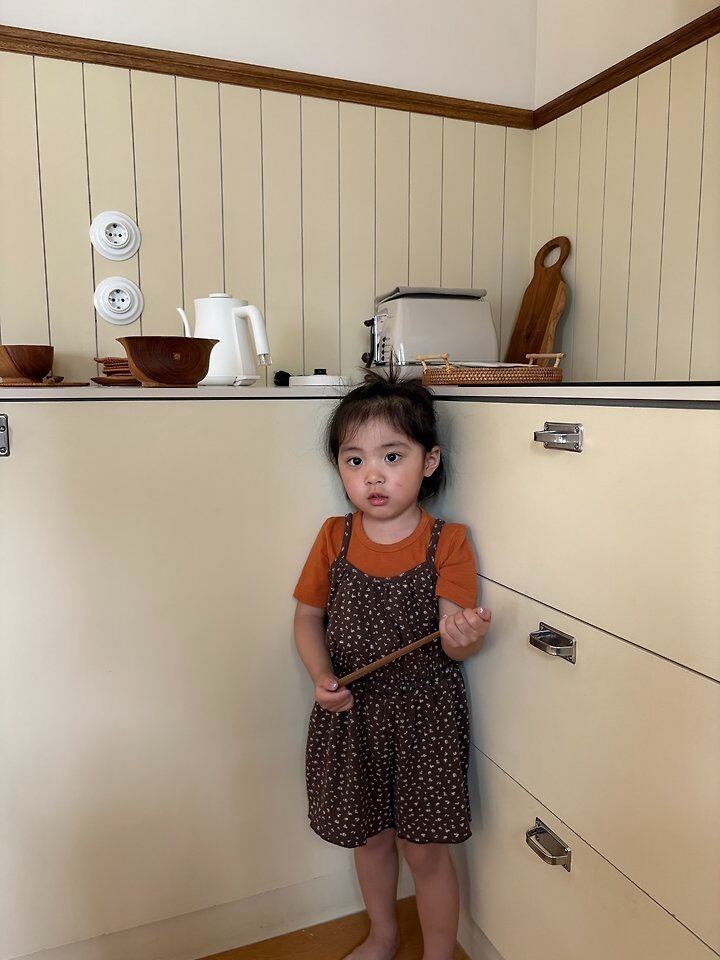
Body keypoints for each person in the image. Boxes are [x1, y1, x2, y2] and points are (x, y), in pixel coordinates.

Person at [293, 364, 491, 960]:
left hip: (426, 721)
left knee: (425, 851)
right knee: (372, 839)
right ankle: (383, 936)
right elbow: (306, 620)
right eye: (354, 460)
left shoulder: (448, 541)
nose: (372, 475)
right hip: (352, 715)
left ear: (430, 462)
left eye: (392, 456)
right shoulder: (334, 537)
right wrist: (321, 677)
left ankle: (438, 953)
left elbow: (455, 645)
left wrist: (462, 635)